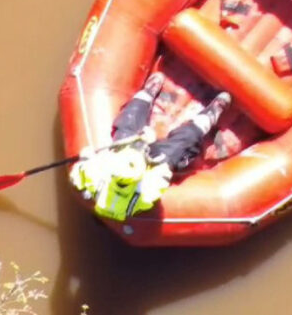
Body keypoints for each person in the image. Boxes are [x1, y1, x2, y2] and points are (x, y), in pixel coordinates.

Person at [69, 72, 231, 222]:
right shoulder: (146, 191)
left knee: (127, 124)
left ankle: (147, 94)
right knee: (183, 143)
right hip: (154, 163)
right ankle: (209, 115)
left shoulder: (95, 175)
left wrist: (87, 156)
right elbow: (164, 173)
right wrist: (149, 152)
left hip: (125, 149)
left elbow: (77, 174)